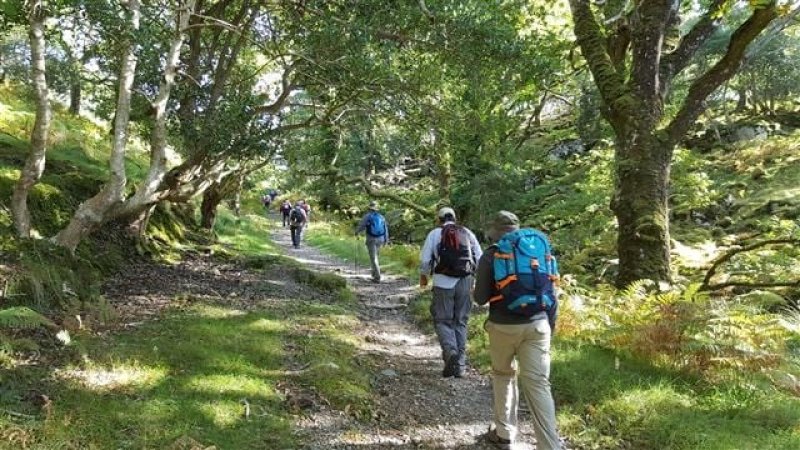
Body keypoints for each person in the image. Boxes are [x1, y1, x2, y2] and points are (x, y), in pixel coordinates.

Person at [473, 211, 561, 450]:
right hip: (539, 325)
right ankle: (551, 446)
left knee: (503, 374)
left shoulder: (492, 254)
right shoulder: (539, 251)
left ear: (495, 230)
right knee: (539, 385)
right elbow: (553, 293)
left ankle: (504, 433)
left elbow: (480, 298)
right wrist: (550, 326)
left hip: (503, 326)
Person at [419, 206, 482, 378]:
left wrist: (424, 276)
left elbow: (425, 260)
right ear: (455, 218)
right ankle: (460, 365)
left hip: (442, 281)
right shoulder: (467, 233)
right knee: (461, 321)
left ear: (439, 220)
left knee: (442, 320)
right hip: (466, 281)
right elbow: (480, 256)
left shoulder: (434, 234)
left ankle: (450, 352)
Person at [355, 201, 389, 283]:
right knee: (375, 257)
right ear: (376, 209)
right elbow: (385, 229)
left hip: (371, 239)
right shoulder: (381, 217)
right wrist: (386, 239)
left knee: (373, 258)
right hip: (381, 239)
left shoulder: (367, 216)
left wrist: (357, 232)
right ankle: (374, 275)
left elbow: (362, 225)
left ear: (370, 208)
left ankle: (377, 277)